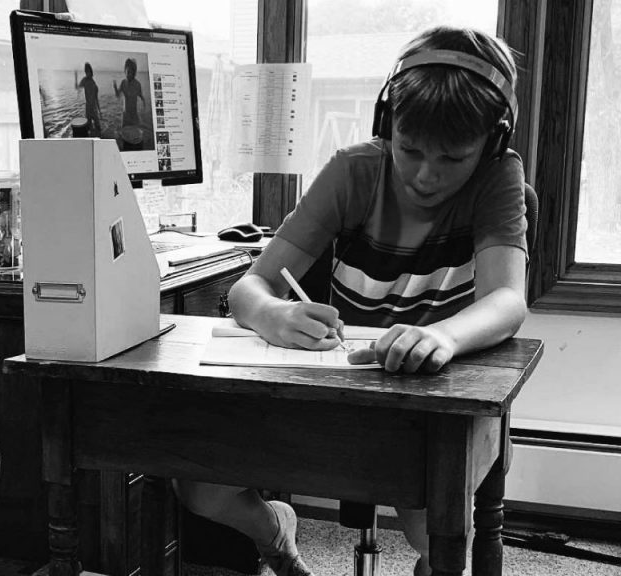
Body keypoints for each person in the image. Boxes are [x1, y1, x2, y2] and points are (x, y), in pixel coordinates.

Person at [176, 26, 528, 576]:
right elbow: (249, 287)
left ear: (493, 143)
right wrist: (272, 313)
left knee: (439, 543)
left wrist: (441, 335)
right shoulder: (353, 171)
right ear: (387, 122)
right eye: (409, 149)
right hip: (334, 391)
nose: (426, 176)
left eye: (453, 158)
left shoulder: (498, 179)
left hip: (429, 409)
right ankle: (277, 533)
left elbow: (507, 298)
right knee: (203, 490)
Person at [113, 58, 146, 126]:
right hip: (126, 115)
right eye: (128, 72)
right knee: (123, 133)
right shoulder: (123, 83)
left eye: (131, 73)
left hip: (134, 115)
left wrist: (144, 103)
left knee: (136, 134)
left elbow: (140, 95)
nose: (129, 75)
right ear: (125, 71)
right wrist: (115, 88)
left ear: (134, 73)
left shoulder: (137, 84)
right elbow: (117, 95)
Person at [75, 63, 102, 136]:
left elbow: (96, 99)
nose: (87, 73)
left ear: (91, 72)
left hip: (94, 109)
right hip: (88, 108)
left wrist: (100, 111)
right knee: (89, 127)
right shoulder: (84, 80)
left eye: (88, 71)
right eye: (86, 72)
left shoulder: (94, 84)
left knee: (98, 127)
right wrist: (76, 77)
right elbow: (77, 88)